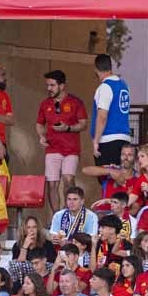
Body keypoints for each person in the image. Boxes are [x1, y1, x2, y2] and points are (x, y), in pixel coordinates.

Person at [37, 69, 89, 215]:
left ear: (62, 86)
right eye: (47, 85)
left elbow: (83, 123)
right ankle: (57, 217)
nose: (49, 89)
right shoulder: (45, 103)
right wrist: (41, 136)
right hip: (52, 148)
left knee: (68, 180)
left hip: (71, 149)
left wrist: (68, 128)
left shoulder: (75, 102)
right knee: (52, 183)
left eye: (52, 85)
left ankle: (70, 214)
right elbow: (40, 124)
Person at [91, 53, 132, 167]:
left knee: (106, 178)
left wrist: (96, 141)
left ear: (96, 69)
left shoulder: (105, 87)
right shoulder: (124, 85)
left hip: (108, 139)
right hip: (124, 138)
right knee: (121, 175)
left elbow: (102, 116)